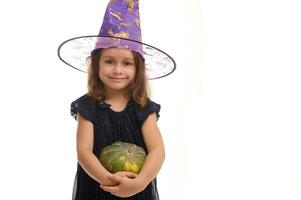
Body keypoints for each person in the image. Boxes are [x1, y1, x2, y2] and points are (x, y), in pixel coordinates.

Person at [58, 0, 176, 199]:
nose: (117, 70)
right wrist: (107, 179)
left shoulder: (143, 107)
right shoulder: (87, 107)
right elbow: (84, 152)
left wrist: (141, 182)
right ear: (96, 65)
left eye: (127, 63)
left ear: (138, 69)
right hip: (98, 187)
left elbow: (157, 150)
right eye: (109, 61)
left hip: (136, 188)